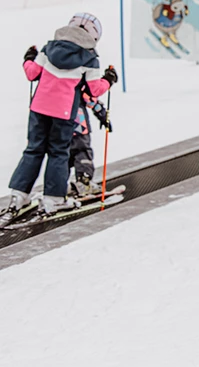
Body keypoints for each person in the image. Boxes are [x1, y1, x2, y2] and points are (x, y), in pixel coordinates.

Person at [4, 13, 116, 218]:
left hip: (38, 108)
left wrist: (28, 58)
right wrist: (109, 80)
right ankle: (54, 199)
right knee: (58, 152)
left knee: (33, 149)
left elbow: (32, 73)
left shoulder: (49, 48)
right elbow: (93, 89)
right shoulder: (89, 58)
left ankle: (19, 195)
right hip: (63, 113)